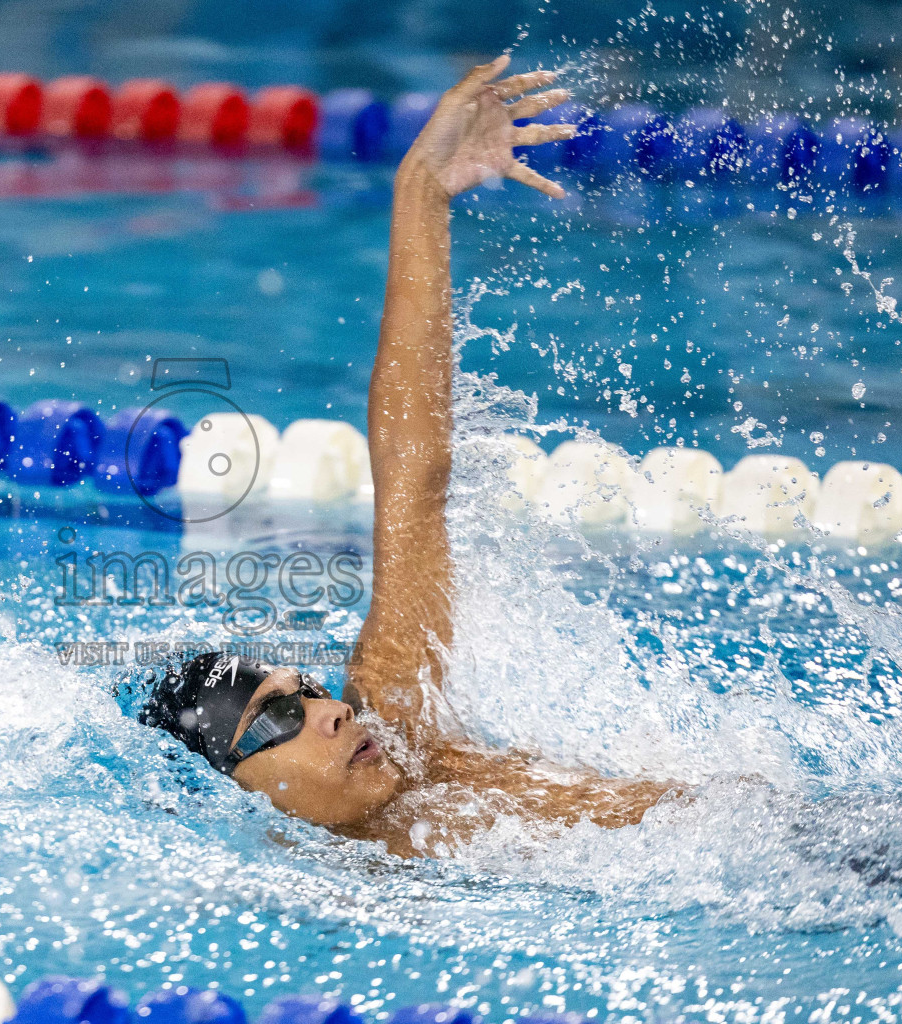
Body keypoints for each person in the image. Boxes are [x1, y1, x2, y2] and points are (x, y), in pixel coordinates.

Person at [137, 57, 677, 858]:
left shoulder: (409, 738)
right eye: (284, 718)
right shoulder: (322, 883)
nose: (334, 711)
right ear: (234, 791)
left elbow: (414, 480)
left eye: (308, 692)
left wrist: (420, 189)